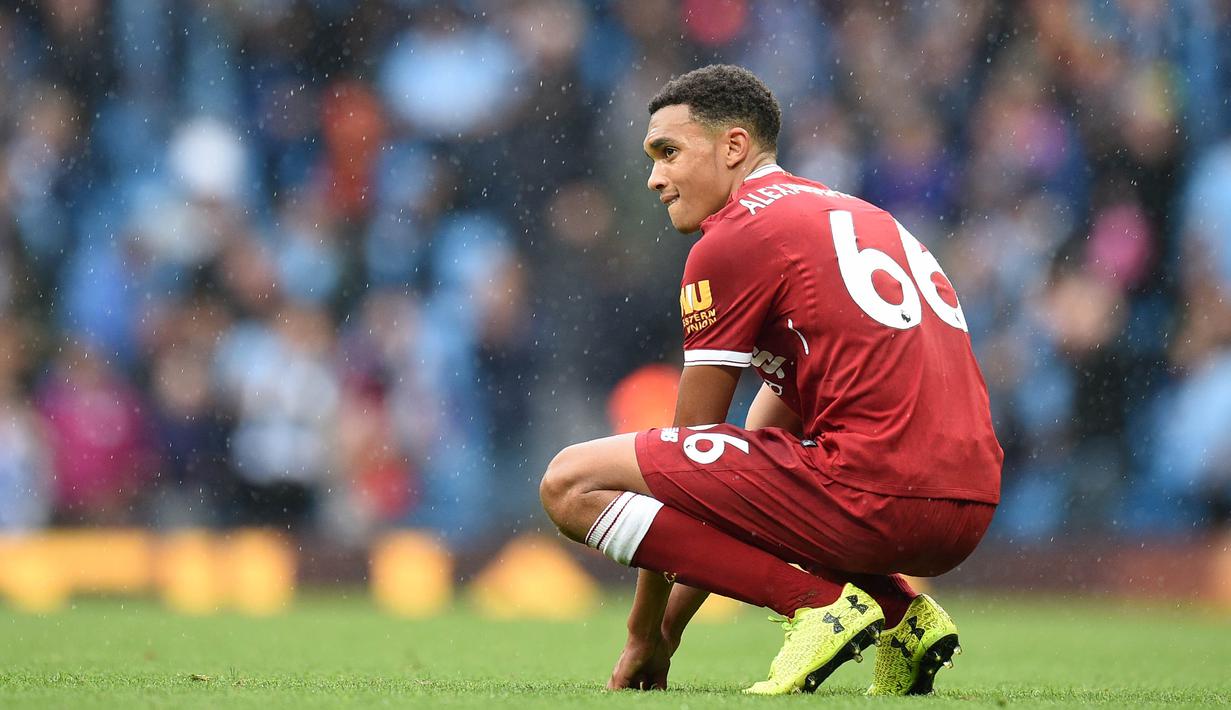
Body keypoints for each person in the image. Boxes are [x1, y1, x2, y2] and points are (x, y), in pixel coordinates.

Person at [539, 64, 1002, 696]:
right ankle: (902, 618)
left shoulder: (735, 237)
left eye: (668, 152)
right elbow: (731, 489)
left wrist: (647, 635)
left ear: (734, 146)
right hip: (969, 505)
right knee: (759, 473)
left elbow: (682, 466)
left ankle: (816, 607)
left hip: (877, 493)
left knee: (569, 482)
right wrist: (669, 630)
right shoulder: (855, 217)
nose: (654, 178)